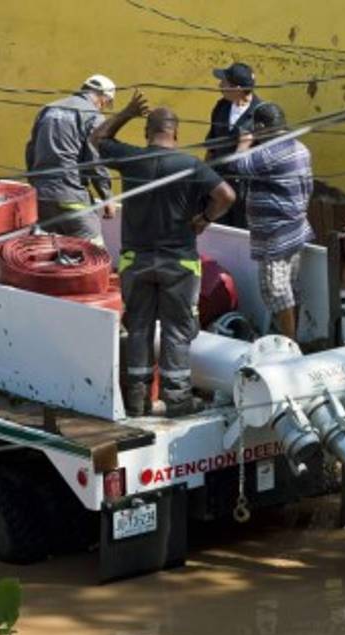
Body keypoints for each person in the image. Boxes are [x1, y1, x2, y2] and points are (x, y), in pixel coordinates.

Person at [89, 93, 235, 418]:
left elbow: (97, 139)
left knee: (138, 328)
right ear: (176, 133)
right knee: (177, 331)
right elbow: (226, 195)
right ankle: (178, 400)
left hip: (136, 261)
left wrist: (126, 112)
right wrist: (205, 218)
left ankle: (137, 400)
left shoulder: (131, 158)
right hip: (179, 263)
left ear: (147, 133)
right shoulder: (191, 166)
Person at [229, 102, 314, 337]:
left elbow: (237, 165)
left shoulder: (270, 152)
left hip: (275, 237)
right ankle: (291, 338)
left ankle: (290, 344)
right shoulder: (300, 148)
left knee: (276, 291)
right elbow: (308, 188)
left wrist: (244, 143)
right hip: (295, 230)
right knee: (290, 289)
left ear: (261, 127)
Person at [25, 74, 118, 245]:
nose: (104, 106)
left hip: (41, 196)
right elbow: (95, 160)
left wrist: (36, 184)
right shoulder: (92, 115)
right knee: (93, 249)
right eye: (107, 102)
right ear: (103, 97)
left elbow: (31, 150)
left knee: (49, 249)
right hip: (71, 196)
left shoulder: (48, 109)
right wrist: (107, 196)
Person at [206, 62, 261, 228]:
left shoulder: (260, 114)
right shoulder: (221, 107)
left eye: (224, 82)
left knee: (240, 234)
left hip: (245, 192)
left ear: (237, 89)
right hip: (219, 187)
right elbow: (211, 147)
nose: (220, 85)